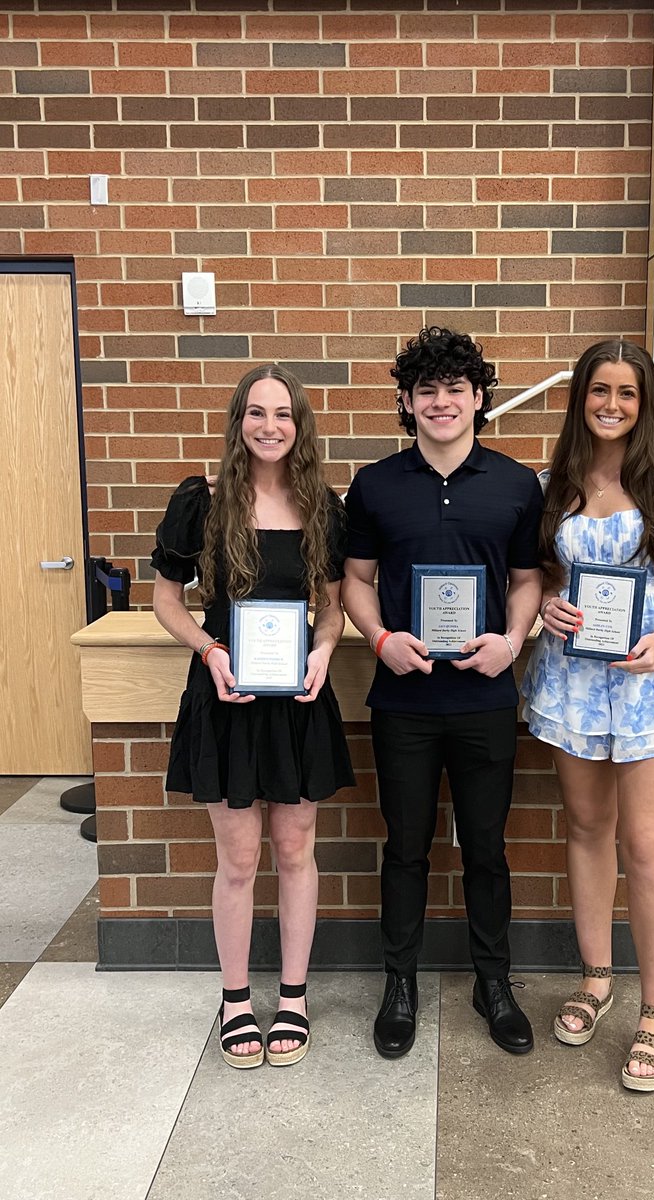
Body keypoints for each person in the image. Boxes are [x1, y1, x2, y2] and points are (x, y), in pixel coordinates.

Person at [521, 339, 654, 1093]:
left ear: (645, 403)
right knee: (585, 829)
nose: (611, 405)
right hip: (574, 680)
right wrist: (547, 602)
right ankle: (597, 978)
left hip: (651, 682)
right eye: (599, 391)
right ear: (580, 398)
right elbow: (544, 577)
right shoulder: (552, 485)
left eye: (627, 393)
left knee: (646, 844)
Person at [342, 327, 544, 1058]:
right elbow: (355, 581)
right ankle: (400, 986)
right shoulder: (374, 486)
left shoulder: (518, 485)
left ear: (479, 396)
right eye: (426, 389)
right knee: (404, 849)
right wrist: (380, 639)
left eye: (455, 387)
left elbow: (528, 582)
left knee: (487, 849)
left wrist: (513, 640)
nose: (441, 401)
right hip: (406, 705)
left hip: (486, 701)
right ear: (405, 401)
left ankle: (495, 985)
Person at [151, 364, 354, 1070]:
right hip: (228, 696)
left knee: (296, 851)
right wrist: (209, 651)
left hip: (297, 699)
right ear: (239, 422)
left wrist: (325, 651)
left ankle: (292, 996)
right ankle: (236, 998)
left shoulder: (322, 506)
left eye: (284, 414)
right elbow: (166, 601)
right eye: (257, 412)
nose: (271, 425)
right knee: (238, 859)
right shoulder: (200, 503)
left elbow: (331, 608)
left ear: (300, 425)